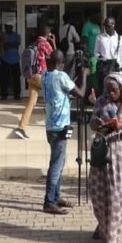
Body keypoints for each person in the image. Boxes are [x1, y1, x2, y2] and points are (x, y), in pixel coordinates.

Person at [89, 73, 122, 243]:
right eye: (108, 90)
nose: (111, 93)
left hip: (120, 152)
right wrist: (97, 123)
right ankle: (103, 225)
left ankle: (113, 240)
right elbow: (92, 123)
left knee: (117, 196)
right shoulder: (101, 102)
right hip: (101, 151)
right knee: (98, 195)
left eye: (114, 90)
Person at [42, 51, 87, 215]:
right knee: (56, 165)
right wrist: (85, 75)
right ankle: (49, 202)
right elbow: (81, 93)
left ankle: (56, 196)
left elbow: (63, 81)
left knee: (58, 162)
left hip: (50, 126)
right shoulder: (61, 77)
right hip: (60, 126)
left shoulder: (45, 75)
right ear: (61, 63)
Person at [14, 25, 55, 139]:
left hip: (31, 76)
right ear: (48, 34)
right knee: (53, 97)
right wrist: (53, 43)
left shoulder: (33, 43)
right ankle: (53, 125)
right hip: (41, 76)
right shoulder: (45, 44)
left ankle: (21, 127)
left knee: (31, 103)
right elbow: (55, 58)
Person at [95, 18, 122, 94]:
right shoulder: (100, 38)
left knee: (115, 90)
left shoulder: (121, 39)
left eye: (108, 26)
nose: (106, 28)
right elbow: (96, 52)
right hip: (104, 67)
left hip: (116, 67)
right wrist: (101, 58)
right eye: (105, 26)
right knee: (103, 90)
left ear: (113, 25)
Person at [0, 24, 22, 100]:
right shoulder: (2, 35)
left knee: (16, 78)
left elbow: (17, 44)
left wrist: (7, 44)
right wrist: (9, 44)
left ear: (12, 27)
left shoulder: (16, 35)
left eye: (9, 26)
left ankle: (17, 95)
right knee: (4, 78)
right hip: (5, 59)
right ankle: (4, 94)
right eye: (6, 27)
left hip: (15, 59)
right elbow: (2, 45)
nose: (7, 28)